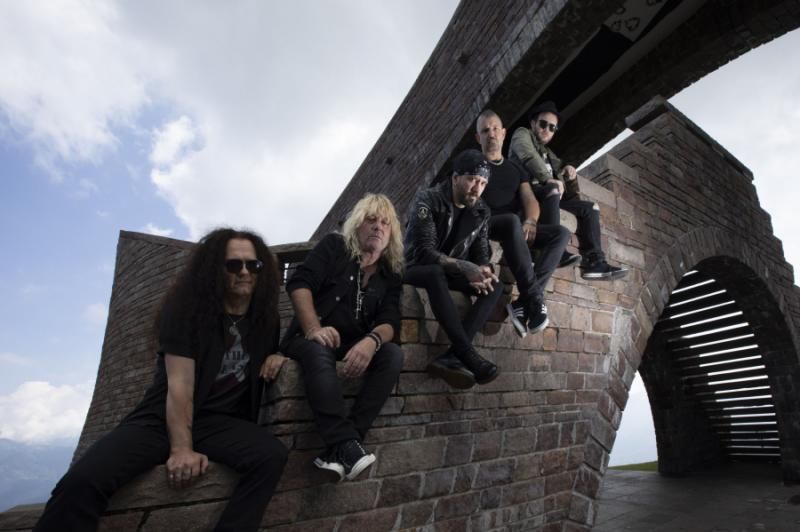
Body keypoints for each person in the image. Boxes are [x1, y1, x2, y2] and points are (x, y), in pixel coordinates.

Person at [34, 228, 289, 532]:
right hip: (160, 418)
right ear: (214, 270)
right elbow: (179, 385)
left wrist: (279, 355)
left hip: (219, 422)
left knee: (270, 456)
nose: (245, 272)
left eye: (253, 265)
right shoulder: (187, 313)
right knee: (83, 481)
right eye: (234, 265)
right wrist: (181, 449)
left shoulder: (266, 320)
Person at [281, 193, 404, 481]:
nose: (378, 227)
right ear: (357, 224)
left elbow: (390, 322)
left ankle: (343, 448)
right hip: (309, 339)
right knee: (318, 350)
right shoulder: (335, 247)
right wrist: (314, 328)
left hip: (353, 345)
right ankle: (344, 443)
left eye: (385, 223)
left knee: (393, 354)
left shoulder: (391, 274)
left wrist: (371, 342)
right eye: (371, 220)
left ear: (391, 235)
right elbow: (299, 283)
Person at [404, 149, 503, 389]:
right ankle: (467, 354)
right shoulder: (428, 199)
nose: (477, 189)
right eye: (472, 180)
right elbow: (424, 253)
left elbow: (481, 252)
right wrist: (463, 266)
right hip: (415, 267)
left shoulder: (481, 210)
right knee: (435, 272)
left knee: (495, 285)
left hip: (451, 270)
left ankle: (452, 356)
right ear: (456, 177)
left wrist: (483, 270)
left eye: (483, 183)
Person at [476, 109, 571, 337]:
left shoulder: (515, 168)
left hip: (516, 228)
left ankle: (522, 303)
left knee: (561, 234)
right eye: (485, 131)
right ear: (478, 137)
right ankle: (534, 299)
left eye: (495, 129)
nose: (491, 134)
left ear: (503, 133)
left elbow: (529, 199)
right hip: (486, 224)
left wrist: (531, 220)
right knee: (511, 221)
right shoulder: (474, 162)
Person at [509, 100, 628, 280]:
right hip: (526, 194)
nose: (547, 130)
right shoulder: (522, 133)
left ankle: (595, 262)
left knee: (590, 208)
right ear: (533, 123)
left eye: (552, 128)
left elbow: (569, 191)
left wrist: (570, 174)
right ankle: (556, 249)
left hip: (550, 198)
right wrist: (548, 178)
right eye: (543, 124)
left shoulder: (550, 155)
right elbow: (527, 155)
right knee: (552, 188)